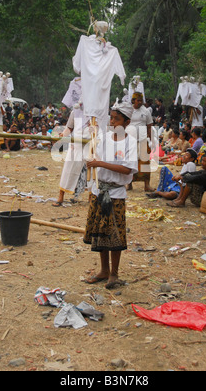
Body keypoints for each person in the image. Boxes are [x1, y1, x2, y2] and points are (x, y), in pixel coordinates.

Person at [83, 100, 138, 289]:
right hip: (99, 190)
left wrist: (100, 164)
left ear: (127, 122)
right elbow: (94, 157)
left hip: (116, 193)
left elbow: (127, 169)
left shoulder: (130, 142)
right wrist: (91, 158)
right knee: (101, 232)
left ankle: (114, 273)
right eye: (111, 118)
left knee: (115, 234)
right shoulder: (103, 138)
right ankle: (104, 270)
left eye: (117, 119)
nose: (112, 122)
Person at [127, 92, 153, 192]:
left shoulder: (146, 111)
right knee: (130, 162)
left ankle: (147, 185)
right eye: (138, 100)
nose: (140, 102)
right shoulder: (129, 110)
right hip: (130, 140)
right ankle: (129, 184)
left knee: (145, 162)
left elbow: (149, 126)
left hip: (142, 139)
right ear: (133, 101)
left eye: (141, 100)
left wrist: (150, 140)